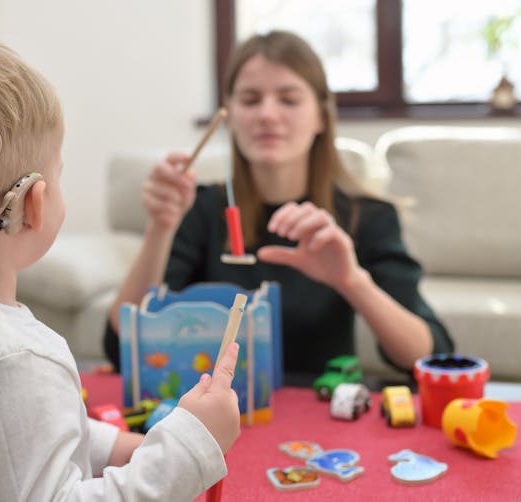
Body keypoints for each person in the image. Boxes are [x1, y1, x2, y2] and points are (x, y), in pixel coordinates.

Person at [0, 34, 240, 501]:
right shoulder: (12, 358)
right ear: (32, 203)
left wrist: (115, 445)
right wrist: (189, 447)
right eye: (58, 172)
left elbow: (13, 434)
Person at [104, 30, 453, 375]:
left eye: (288, 99)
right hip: (220, 414)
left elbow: (429, 355)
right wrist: (160, 227)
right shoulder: (199, 208)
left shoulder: (368, 217)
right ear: (231, 115)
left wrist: (351, 280)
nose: (267, 115)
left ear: (321, 115)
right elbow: (123, 347)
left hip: (322, 416)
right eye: (251, 100)